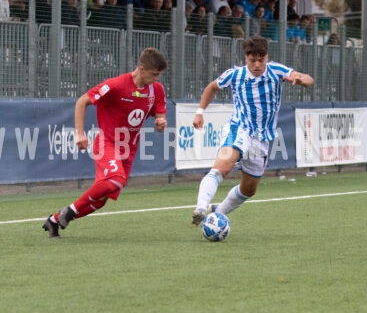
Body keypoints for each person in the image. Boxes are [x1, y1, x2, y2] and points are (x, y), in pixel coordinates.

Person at [42, 47, 169, 238]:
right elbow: (82, 101)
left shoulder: (156, 90)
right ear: (142, 69)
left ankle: (54, 220)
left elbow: (160, 120)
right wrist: (80, 133)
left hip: (129, 148)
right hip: (107, 143)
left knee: (102, 199)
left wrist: (161, 123)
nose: (157, 79)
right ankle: (70, 210)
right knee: (116, 180)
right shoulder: (116, 85)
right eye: (154, 74)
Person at [190, 36, 314, 225]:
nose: (257, 64)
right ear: (246, 58)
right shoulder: (235, 74)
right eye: (252, 60)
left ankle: (217, 213)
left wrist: (300, 78)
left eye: (261, 60)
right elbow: (211, 87)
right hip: (239, 128)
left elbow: (309, 79)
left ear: (267, 57)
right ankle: (200, 207)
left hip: (262, 138)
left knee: (249, 189)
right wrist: (200, 112)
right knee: (223, 166)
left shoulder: (277, 71)